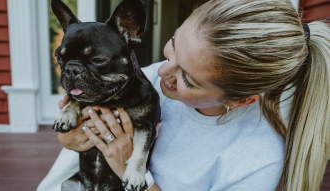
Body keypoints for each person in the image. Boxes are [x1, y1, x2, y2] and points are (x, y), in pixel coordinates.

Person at [38, 0, 330, 190]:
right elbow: (76, 135)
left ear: (240, 100)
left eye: (186, 79)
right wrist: (71, 138)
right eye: (173, 46)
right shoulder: (148, 79)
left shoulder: (255, 162)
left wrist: (128, 162)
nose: (164, 71)